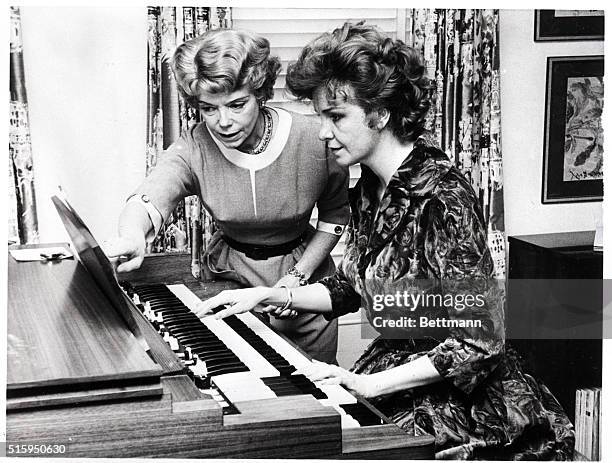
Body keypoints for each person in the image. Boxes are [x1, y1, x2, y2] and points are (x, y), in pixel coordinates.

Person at [196, 23, 574, 460]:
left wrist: (369, 385)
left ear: (379, 113)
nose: (322, 132)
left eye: (335, 117)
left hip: (466, 402)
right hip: (397, 373)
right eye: (320, 117)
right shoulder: (371, 188)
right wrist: (270, 295)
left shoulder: (442, 196)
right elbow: (354, 288)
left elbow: (481, 342)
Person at [105, 28, 350, 364]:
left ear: (260, 93)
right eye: (209, 108)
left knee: (315, 397)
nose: (224, 122)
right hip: (228, 281)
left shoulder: (315, 138)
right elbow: (149, 197)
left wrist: (294, 281)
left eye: (237, 105)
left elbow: (336, 217)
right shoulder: (195, 146)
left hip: (302, 282)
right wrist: (133, 236)